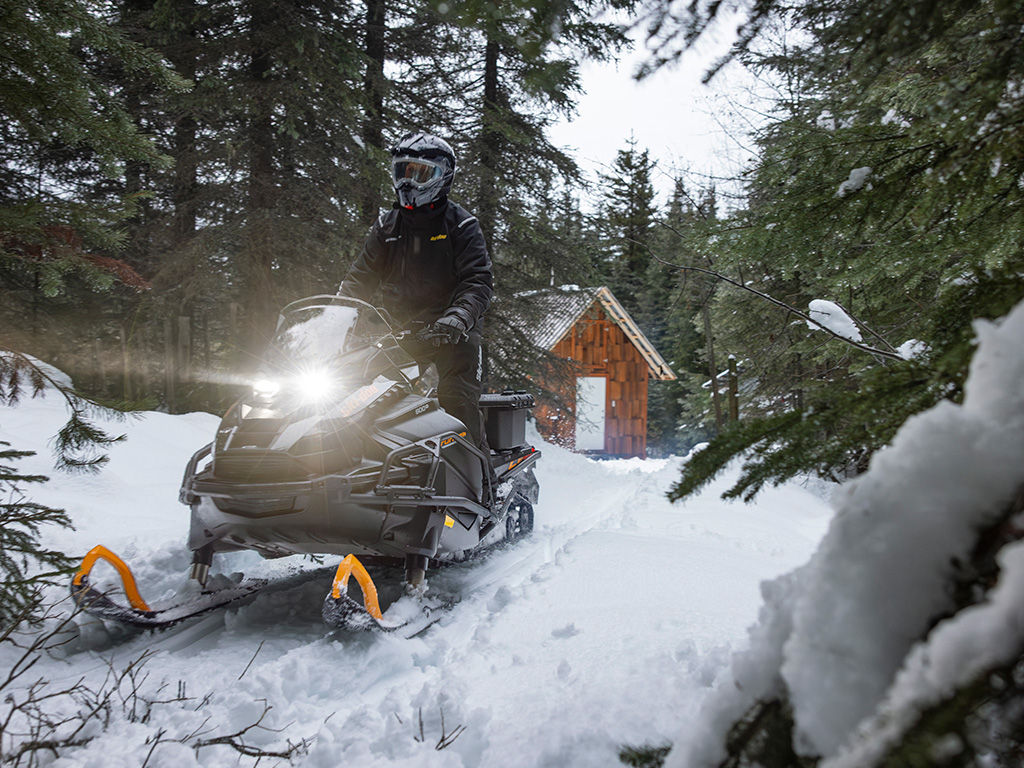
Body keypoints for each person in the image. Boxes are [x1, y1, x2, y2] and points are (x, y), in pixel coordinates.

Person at [338, 131, 492, 449]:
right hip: (402, 335)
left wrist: (458, 316)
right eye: (403, 172)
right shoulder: (387, 226)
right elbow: (359, 280)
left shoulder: (461, 225)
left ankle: (480, 476)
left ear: (442, 176)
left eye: (419, 173)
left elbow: (477, 281)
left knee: (457, 402)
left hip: (453, 336)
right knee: (365, 399)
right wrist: (337, 317)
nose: (408, 182)